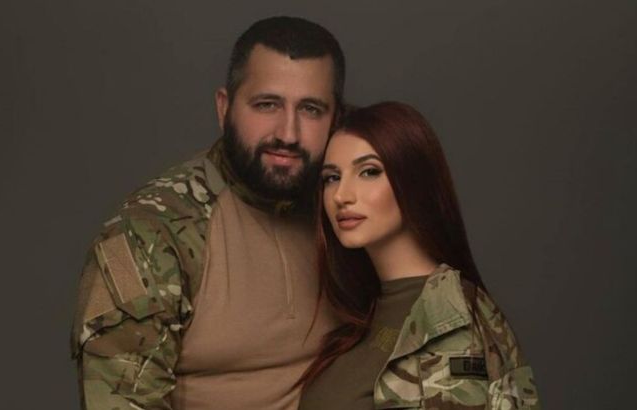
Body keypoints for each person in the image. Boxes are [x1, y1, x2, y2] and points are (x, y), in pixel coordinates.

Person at [71, 16, 345, 410]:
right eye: (267, 104)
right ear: (224, 107)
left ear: (337, 118)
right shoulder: (145, 232)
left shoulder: (353, 211)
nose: (288, 133)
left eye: (311, 109)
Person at [298, 102, 541, 409]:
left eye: (369, 172)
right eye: (332, 177)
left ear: (412, 181)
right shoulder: (358, 314)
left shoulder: (451, 318)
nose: (341, 196)